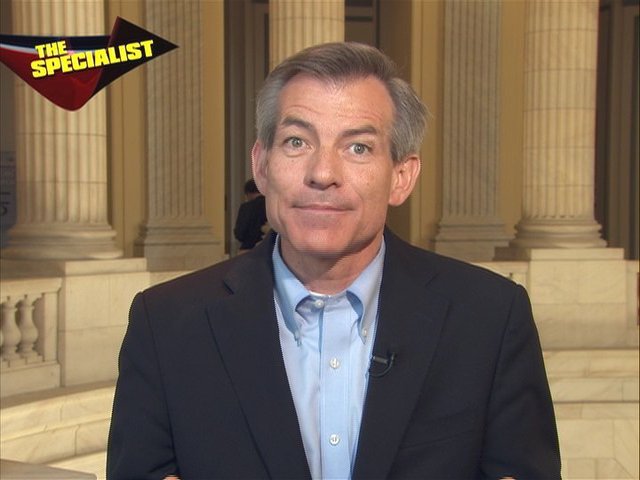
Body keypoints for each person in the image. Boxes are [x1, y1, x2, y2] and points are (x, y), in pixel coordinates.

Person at [107, 42, 560, 479]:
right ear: (261, 165)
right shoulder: (165, 324)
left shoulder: (490, 317)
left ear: (401, 177)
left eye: (358, 147)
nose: (322, 174)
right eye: (296, 142)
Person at [234, 178, 268, 251]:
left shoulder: (246, 207)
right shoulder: (270, 206)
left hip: (248, 248)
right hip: (267, 248)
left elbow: (240, 233)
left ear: (248, 193)